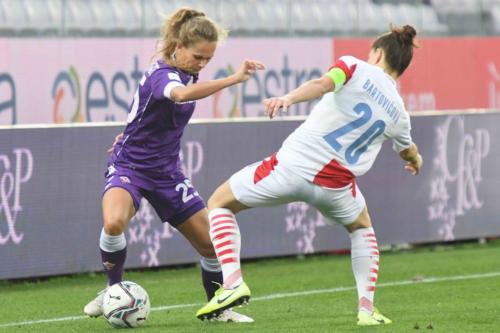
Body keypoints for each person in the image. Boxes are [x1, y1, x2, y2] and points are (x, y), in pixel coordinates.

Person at [196, 25, 423, 326]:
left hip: (293, 167)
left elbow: (323, 83)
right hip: (337, 187)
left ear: (378, 53)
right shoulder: (399, 113)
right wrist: (417, 160)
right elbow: (407, 150)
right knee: (362, 227)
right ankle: (367, 309)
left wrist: (288, 98)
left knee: (219, 203)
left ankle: (233, 283)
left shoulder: (354, 67)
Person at [83, 7, 264, 323]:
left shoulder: (188, 71)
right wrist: (233, 78)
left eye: (208, 59)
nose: (202, 64)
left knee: (211, 245)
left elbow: (145, 111)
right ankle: (112, 290)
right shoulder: (163, 74)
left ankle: (219, 310)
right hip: (130, 167)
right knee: (114, 223)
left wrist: (127, 130)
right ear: (177, 46)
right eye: (198, 57)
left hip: (167, 173)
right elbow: (178, 95)